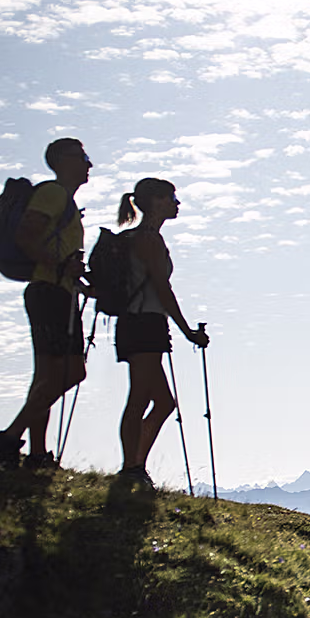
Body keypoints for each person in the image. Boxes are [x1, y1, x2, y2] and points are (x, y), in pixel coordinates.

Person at [0, 137, 93, 470]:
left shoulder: (63, 201)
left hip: (51, 290)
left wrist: (77, 278)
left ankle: (37, 454)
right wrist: (61, 268)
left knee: (46, 376)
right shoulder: (53, 194)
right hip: (51, 293)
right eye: (82, 156)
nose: (89, 163)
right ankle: (9, 438)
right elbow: (26, 236)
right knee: (72, 371)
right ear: (61, 160)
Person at [112, 178, 209, 488]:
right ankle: (131, 467)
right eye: (171, 198)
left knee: (163, 402)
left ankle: (136, 465)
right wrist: (187, 331)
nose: (176, 204)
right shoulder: (148, 240)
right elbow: (162, 289)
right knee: (140, 397)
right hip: (144, 323)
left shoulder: (141, 238)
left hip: (141, 323)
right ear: (154, 201)